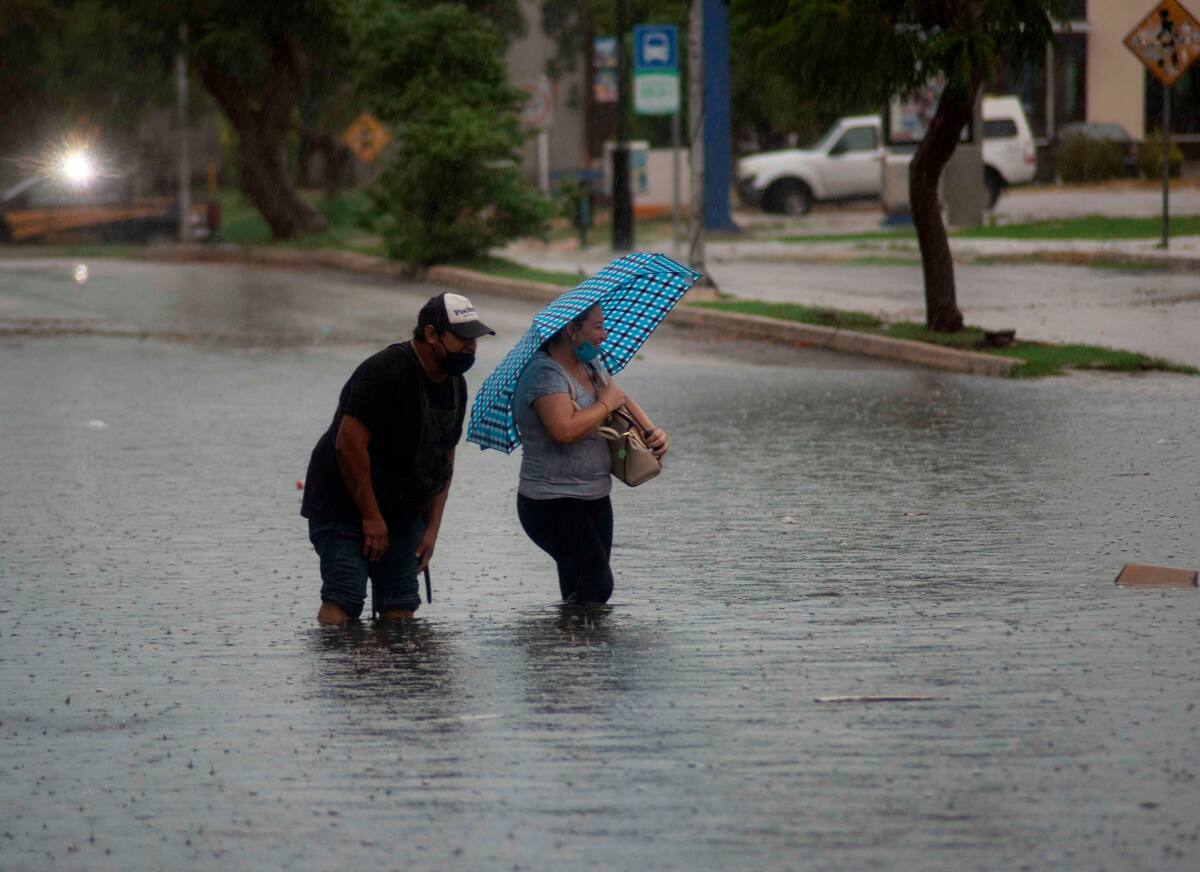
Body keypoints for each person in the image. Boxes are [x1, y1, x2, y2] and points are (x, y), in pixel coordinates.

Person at [301, 292, 494, 624]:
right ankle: (336, 671)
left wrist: (431, 530)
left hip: (404, 508)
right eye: (462, 338)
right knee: (345, 595)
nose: (471, 347)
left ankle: (400, 674)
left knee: (401, 605)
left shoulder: (455, 386)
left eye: (474, 339)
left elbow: (444, 462)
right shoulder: (383, 372)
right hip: (341, 502)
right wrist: (371, 517)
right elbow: (347, 446)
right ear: (431, 334)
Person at [512, 304, 668, 604]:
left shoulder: (591, 363)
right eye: (597, 327)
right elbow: (564, 431)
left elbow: (618, 396)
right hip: (551, 501)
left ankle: (570, 648)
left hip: (595, 497)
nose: (604, 335)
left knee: (582, 588)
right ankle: (571, 646)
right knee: (598, 584)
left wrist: (651, 432)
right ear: (572, 330)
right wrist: (605, 405)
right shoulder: (543, 373)